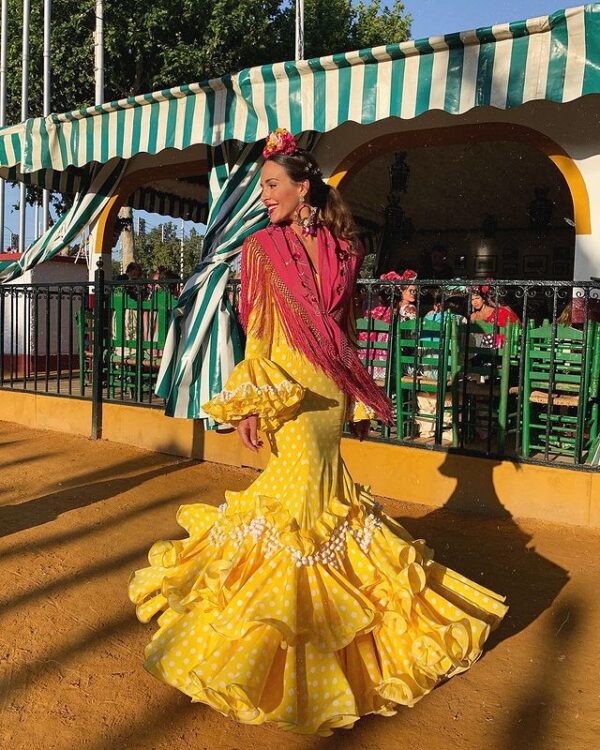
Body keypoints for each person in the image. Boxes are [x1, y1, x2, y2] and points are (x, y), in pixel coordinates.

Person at [128, 128, 507, 736]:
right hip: (287, 387)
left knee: (318, 505)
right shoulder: (260, 249)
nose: (264, 197)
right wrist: (253, 403)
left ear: (304, 188)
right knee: (297, 507)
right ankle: (296, 644)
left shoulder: (344, 248)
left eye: (272, 186)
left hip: (326, 393)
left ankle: (321, 651)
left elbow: (344, 328)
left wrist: (349, 390)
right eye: (261, 188)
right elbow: (260, 333)